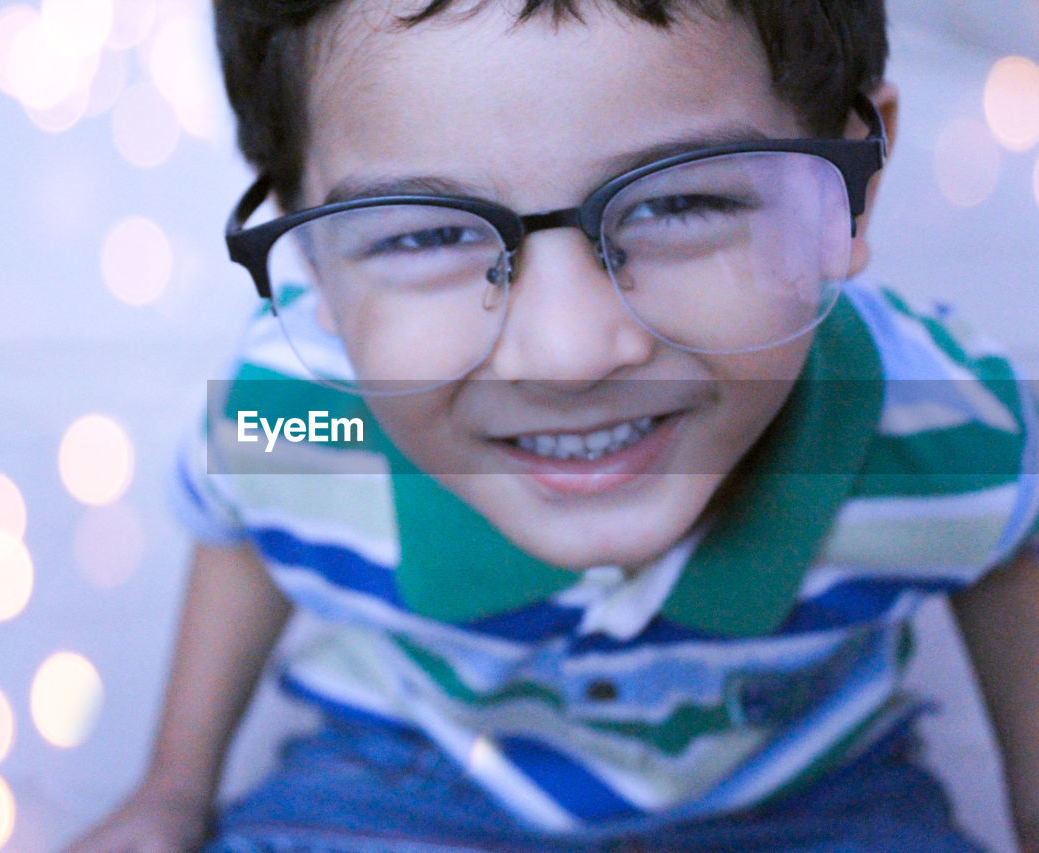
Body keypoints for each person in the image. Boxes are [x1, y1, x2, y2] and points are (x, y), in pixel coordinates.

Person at [65, 1, 1039, 850]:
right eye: (425, 231)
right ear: (314, 254)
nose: (569, 352)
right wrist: (174, 784)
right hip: (404, 780)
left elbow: (1008, 532)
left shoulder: (934, 421)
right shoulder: (309, 415)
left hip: (808, 792)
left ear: (850, 184)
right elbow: (236, 518)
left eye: (680, 200)